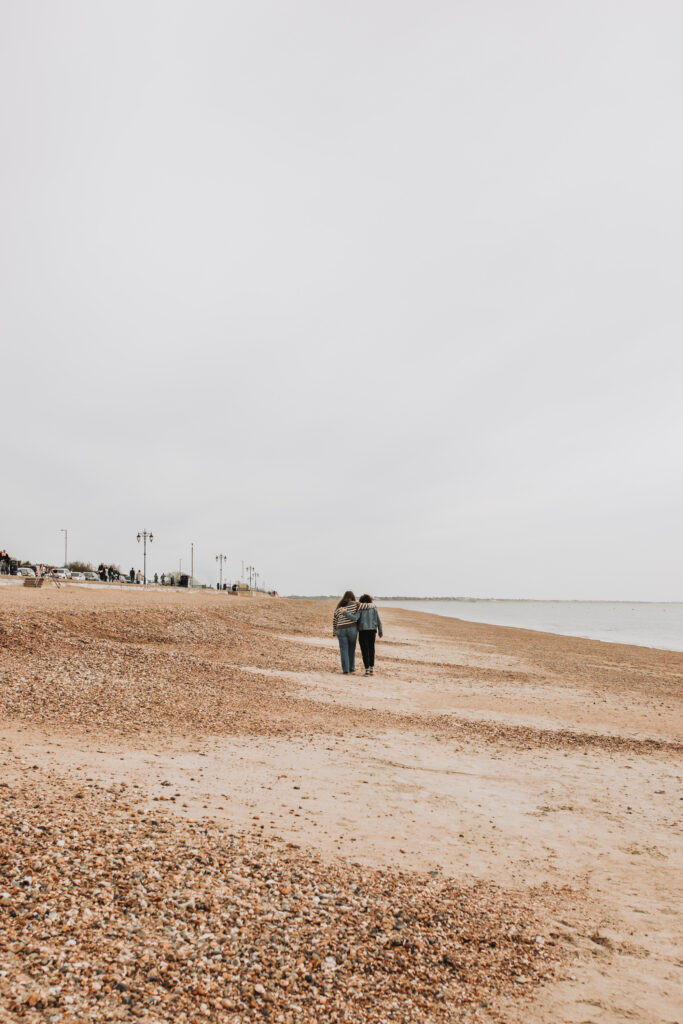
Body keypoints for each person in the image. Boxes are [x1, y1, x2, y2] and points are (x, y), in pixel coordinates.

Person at [332, 591, 360, 674]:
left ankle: (345, 670)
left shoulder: (339, 607)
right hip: (352, 629)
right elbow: (357, 617)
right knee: (351, 649)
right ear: (353, 597)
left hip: (340, 629)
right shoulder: (356, 605)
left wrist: (334, 632)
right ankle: (351, 667)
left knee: (343, 650)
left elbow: (335, 620)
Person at [357, 593, 383, 676]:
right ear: (370, 600)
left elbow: (356, 619)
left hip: (363, 631)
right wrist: (380, 631)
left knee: (365, 650)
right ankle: (372, 668)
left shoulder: (360, 608)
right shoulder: (374, 608)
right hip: (372, 631)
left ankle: (367, 669)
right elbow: (378, 620)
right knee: (371, 649)